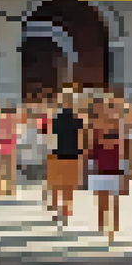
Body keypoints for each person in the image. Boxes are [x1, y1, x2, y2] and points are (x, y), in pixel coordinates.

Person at [87, 96, 125, 243]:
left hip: (114, 162)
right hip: (100, 163)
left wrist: (123, 165)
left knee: (114, 198)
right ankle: (102, 224)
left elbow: (121, 143)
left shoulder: (117, 123)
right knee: (102, 197)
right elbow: (92, 144)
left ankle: (114, 227)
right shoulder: (94, 124)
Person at [49, 89, 86, 228]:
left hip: (58, 154)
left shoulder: (55, 119)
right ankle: (65, 211)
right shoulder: (79, 120)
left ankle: (59, 210)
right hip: (73, 155)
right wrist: (82, 156)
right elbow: (81, 140)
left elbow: (52, 139)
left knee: (59, 185)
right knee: (69, 186)